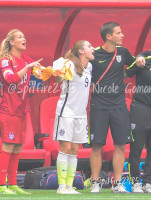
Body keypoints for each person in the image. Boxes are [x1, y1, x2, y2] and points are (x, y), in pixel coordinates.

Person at [89, 22, 145, 193]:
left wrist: (140, 60)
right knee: (97, 145)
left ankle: (118, 184)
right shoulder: (94, 54)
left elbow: (131, 68)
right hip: (98, 105)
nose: (122, 36)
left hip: (119, 105)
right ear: (108, 36)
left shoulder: (123, 52)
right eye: (119, 33)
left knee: (121, 145)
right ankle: (95, 182)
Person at [0, 29, 42, 195]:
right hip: (8, 110)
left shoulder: (26, 59)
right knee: (8, 147)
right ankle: (2, 186)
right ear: (11, 42)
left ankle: (14, 185)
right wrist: (28, 67)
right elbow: (11, 79)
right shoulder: (5, 61)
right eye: (20, 37)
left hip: (22, 111)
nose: (24, 39)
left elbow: (41, 74)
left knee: (17, 149)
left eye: (24, 36)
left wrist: (53, 70)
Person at [53, 40, 95, 194]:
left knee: (75, 150)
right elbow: (57, 78)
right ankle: (61, 186)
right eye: (89, 46)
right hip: (66, 113)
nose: (93, 48)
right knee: (65, 148)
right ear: (81, 51)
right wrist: (58, 71)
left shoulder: (89, 67)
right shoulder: (68, 64)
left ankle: (69, 185)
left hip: (81, 115)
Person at [126, 37, 151, 194]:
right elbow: (126, 73)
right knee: (137, 147)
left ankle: (147, 182)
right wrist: (140, 56)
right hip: (141, 108)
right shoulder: (144, 60)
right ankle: (135, 183)